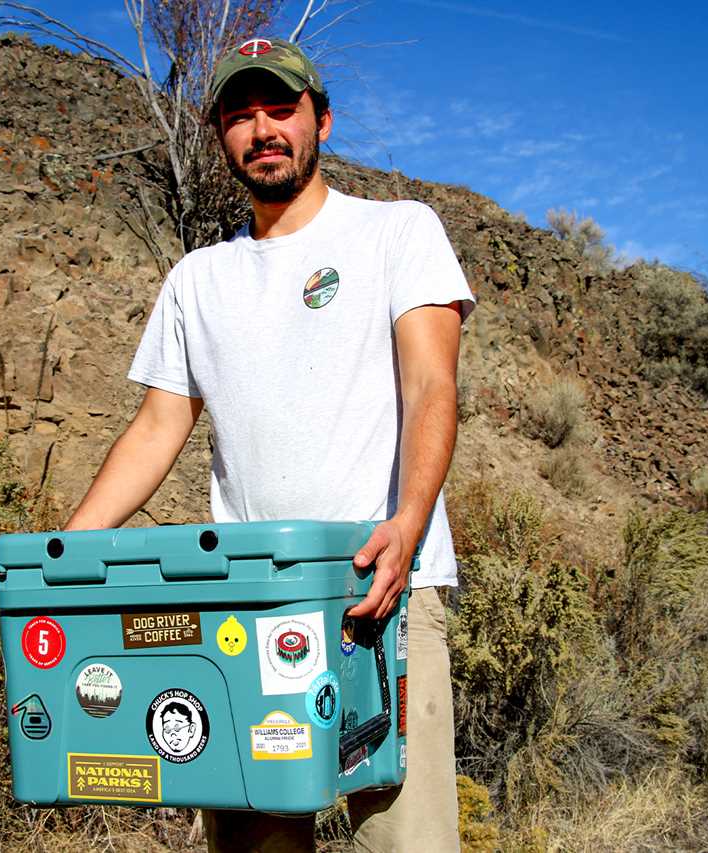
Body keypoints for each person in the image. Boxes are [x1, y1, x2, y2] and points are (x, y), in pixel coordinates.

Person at [64, 35, 473, 853]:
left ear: (320, 119)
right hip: (247, 606)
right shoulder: (196, 280)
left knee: (408, 840)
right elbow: (157, 426)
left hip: (381, 589)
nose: (262, 130)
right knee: (256, 841)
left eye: (280, 108)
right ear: (221, 137)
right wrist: (70, 552)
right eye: (240, 116)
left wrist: (409, 521)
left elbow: (432, 385)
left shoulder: (397, 233)